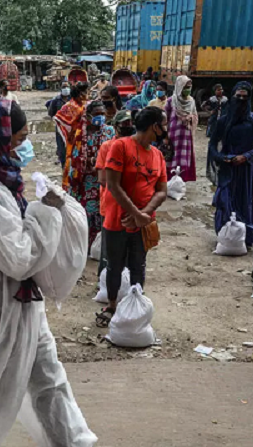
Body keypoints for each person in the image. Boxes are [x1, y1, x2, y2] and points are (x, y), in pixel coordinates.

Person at [0, 96, 96, 447]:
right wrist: (45, 212)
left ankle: (75, 443)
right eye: (18, 137)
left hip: (21, 304)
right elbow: (18, 258)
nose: (23, 145)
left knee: (48, 379)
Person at [96, 107, 168, 328]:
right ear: (154, 126)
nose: (165, 129)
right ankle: (112, 305)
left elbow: (162, 190)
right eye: (163, 124)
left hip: (143, 223)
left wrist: (143, 215)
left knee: (139, 264)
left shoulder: (157, 155)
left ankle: (136, 302)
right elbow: (113, 185)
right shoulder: (120, 146)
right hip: (117, 219)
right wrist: (135, 214)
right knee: (114, 264)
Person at [209, 81, 253, 249]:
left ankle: (244, 236)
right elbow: (212, 144)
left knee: (244, 199)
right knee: (225, 199)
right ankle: (225, 235)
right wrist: (221, 157)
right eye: (238, 96)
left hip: (246, 168)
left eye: (244, 97)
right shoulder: (223, 121)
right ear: (232, 97)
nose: (241, 100)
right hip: (227, 168)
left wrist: (246, 156)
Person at [67, 101, 115, 248]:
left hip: (104, 179)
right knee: (86, 212)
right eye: (96, 114)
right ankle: (85, 245)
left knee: (104, 212)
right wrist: (90, 161)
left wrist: (101, 163)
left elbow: (115, 152)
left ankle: (100, 245)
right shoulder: (80, 133)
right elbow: (73, 157)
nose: (100, 117)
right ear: (88, 115)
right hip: (85, 180)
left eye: (102, 114)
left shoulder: (110, 131)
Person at [94, 109, 134, 274]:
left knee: (121, 246)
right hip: (117, 204)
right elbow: (103, 179)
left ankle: (117, 282)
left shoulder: (133, 145)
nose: (128, 126)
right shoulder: (108, 147)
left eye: (129, 123)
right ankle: (108, 282)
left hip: (125, 204)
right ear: (116, 126)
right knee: (115, 248)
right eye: (125, 123)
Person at [55, 82, 89, 189]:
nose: (88, 95)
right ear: (80, 94)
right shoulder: (74, 107)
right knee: (73, 163)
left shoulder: (78, 105)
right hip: (74, 139)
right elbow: (60, 122)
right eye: (86, 93)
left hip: (76, 138)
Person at [165, 75, 198, 182]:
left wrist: (190, 118)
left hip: (186, 137)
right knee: (172, 158)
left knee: (183, 159)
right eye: (185, 87)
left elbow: (195, 116)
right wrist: (165, 136)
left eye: (189, 87)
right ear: (179, 87)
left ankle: (181, 181)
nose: (187, 89)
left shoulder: (191, 101)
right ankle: (170, 181)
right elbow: (165, 118)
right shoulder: (171, 101)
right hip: (173, 136)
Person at [47, 83, 71, 165]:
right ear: (61, 89)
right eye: (64, 87)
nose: (66, 89)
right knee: (61, 144)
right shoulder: (56, 100)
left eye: (67, 87)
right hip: (60, 126)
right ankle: (63, 162)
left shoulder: (73, 99)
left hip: (71, 126)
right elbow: (51, 113)